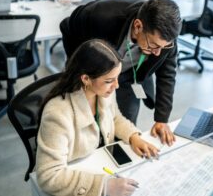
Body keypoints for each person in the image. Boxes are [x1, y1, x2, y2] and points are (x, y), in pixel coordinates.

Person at [36, 39, 159, 196]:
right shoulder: (57, 114)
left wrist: (133, 136)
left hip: (100, 162)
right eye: (109, 81)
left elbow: (115, 117)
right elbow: (49, 176)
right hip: (76, 176)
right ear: (86, 79)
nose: (116, 86)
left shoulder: (103, 92)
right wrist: (103, 187)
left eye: (117, 78)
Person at [60, 0, 182, 146]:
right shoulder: (102, 17)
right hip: (96, 74)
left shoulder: (166, 42)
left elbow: (167, 76)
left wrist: (162, 120)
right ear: (138, 26)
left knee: (124, 123)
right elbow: (67, 26)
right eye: (154, 45)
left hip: (131, 76)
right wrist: (80, 68)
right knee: (86, 122)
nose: (157, 53)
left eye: (163, 47)